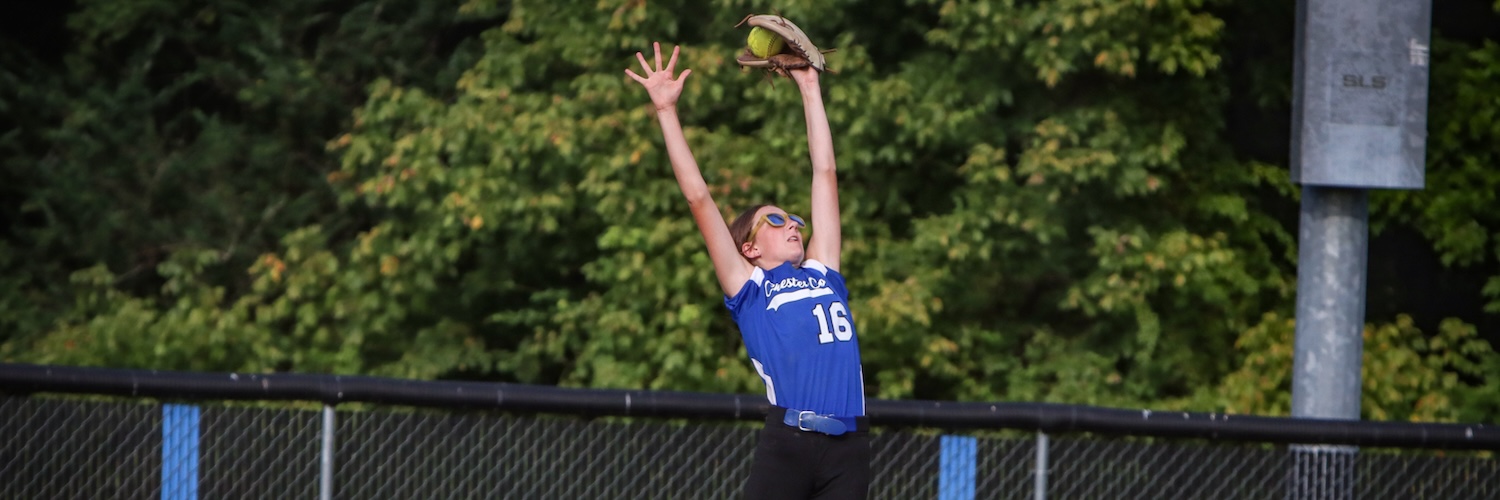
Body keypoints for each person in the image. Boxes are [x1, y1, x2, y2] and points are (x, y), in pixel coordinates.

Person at [626, 42, 871, 499]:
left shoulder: (824, 273)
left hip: (850, 447)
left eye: (794, 219)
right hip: (789, 445)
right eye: (775, 220)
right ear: (749, 247)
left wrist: (810, 86)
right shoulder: (751, 288)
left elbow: (825, 171)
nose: (793, 224)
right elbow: (698, 197)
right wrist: (665, 111)